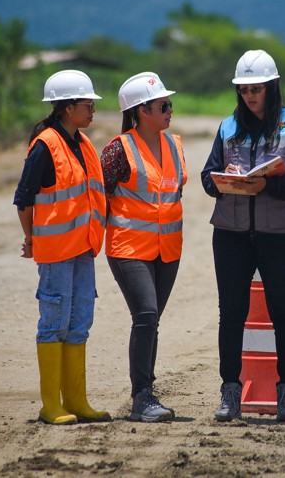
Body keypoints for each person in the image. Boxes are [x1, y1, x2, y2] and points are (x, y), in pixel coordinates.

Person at [199, 50, 285, 422]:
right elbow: (207, 178)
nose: (250, 95)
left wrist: (271, 183)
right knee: (231, 315)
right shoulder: (227, 127)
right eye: (244, 89)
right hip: (231, 236)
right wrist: (226, 179)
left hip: (280, 235)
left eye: (257, 89)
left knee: (284, 314)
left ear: (272, 87)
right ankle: (230, 393)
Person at [13, 69, 111, 425]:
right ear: (68, 108)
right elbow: (24, 198)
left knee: (79, 321)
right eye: (87, 103)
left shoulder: (83, 144)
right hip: (56, 253)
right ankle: (50, 406)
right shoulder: (46, 144)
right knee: (53, 322)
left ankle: (76, 400)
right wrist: (32, 238)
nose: (92, 109)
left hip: (84, 249)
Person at [100, 72, 188, 423]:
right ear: (141, 111)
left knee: (151, 321)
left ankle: (146, 394)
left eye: (170, 104)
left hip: (167, 250)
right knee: (146, 315)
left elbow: (174, 193)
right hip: (128, 248)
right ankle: (142, 397)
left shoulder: (175, 145)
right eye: (163, 105)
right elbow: (97, 197)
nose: (170, 110)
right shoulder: (118, 150)